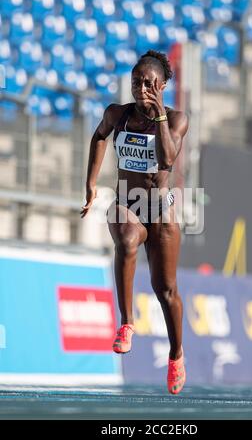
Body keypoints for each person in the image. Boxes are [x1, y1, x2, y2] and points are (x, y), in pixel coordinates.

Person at [80, 50, 188, 394]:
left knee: (165, 290)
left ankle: (176, 354)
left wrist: (158, 116)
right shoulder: (117, 114)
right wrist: (91, 182)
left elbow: (167, 157)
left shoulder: (176, 119)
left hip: (160, 208)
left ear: (163, 85)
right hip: (127, 201)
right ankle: (126, 323)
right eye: (135, 82)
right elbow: (99, 136)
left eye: (148, 83)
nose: (141, 89)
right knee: (125, 241)